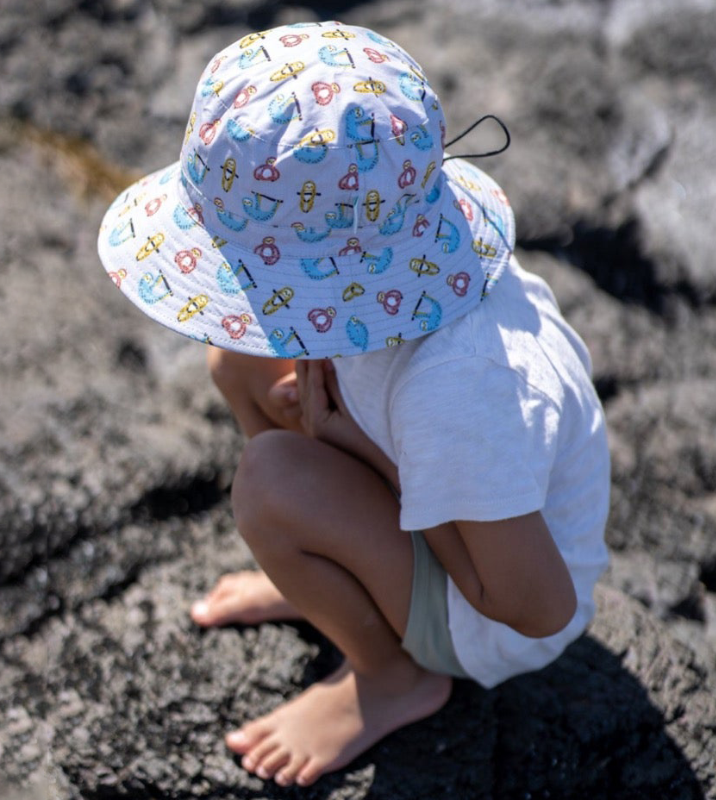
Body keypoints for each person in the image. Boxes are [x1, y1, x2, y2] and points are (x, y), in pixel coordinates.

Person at [97, 20, 610, 789]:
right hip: (424, 477)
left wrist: (360, 452)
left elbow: (535, 608)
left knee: (272, 482)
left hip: (484, 618)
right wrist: (348, 437)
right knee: (236, 355)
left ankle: (391, 675)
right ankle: (335, 569)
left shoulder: (459, 392)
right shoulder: (401, 240)